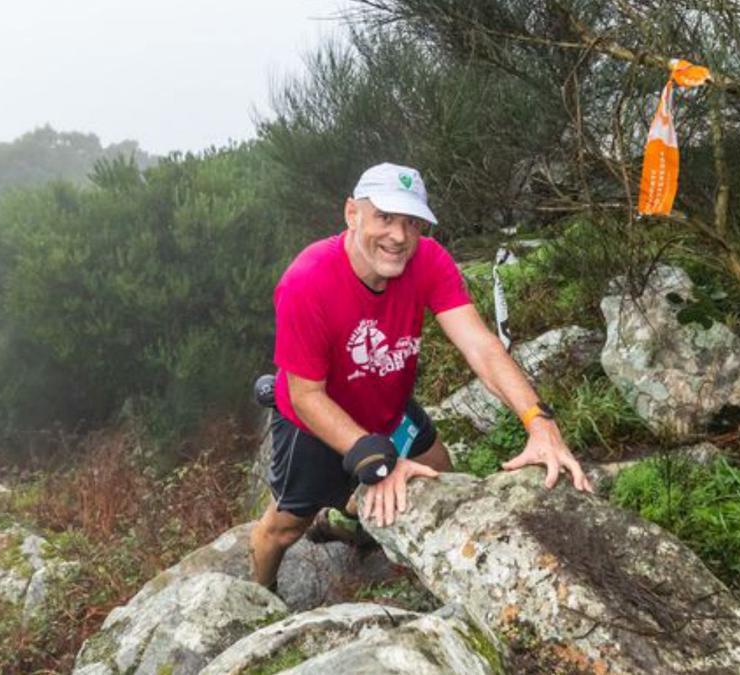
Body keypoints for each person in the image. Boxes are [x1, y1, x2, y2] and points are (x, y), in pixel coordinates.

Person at [249, 162, 592, 591]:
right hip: (314, 424)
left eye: (411, 222)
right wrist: (374, 460)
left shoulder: (427, 260)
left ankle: (347, 519)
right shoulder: (308, 281)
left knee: (438, 477)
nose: (399, 236)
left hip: (387, 407)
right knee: (281, 531)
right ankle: (259, 604)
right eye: (385, 217)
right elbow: (305, 396)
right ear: (352, 214)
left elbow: (481, 347)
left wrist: (538, 421)